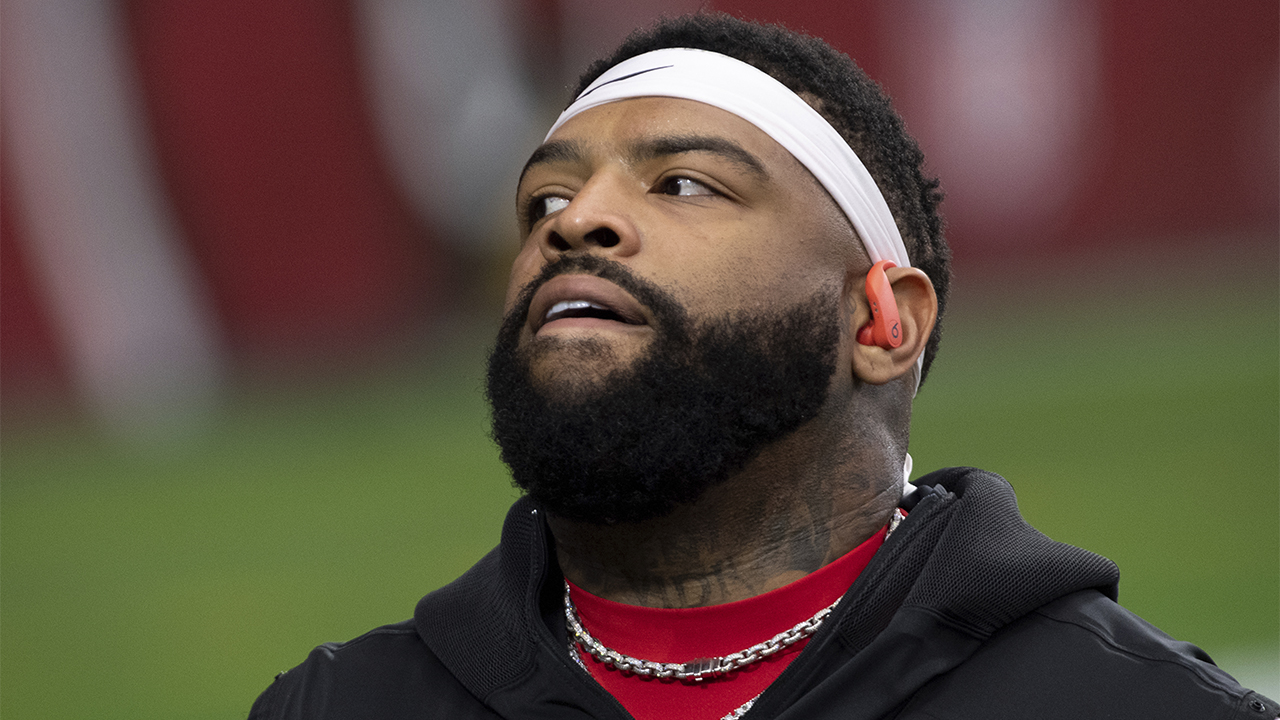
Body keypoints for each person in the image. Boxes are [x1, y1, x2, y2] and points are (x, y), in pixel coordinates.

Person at [248, 13, 1277, 720]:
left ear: (879, 321)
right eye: (544, 203)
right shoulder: (340, 705)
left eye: (685, 184)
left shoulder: (1125, 710)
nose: (581, 222)